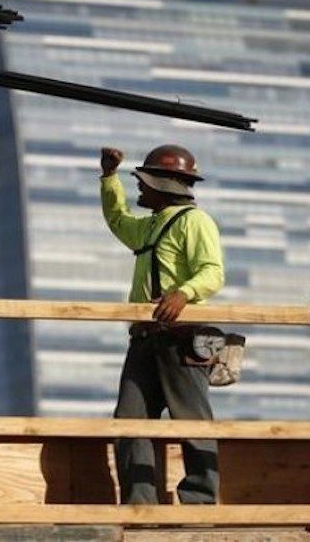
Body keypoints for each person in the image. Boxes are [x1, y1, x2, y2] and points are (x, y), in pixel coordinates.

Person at [100, 145, 224, 504]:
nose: (140, 188)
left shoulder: (195, 221)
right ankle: (140, 504)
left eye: (144, 182)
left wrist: (183, 294)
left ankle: (200, 501)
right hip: (144, 337)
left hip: (180, 337)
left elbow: (212, 272)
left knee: (192, 419)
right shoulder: (152, 226)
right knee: (129, 420)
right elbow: (118, 221)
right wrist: (109, 179)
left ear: (164, 185)